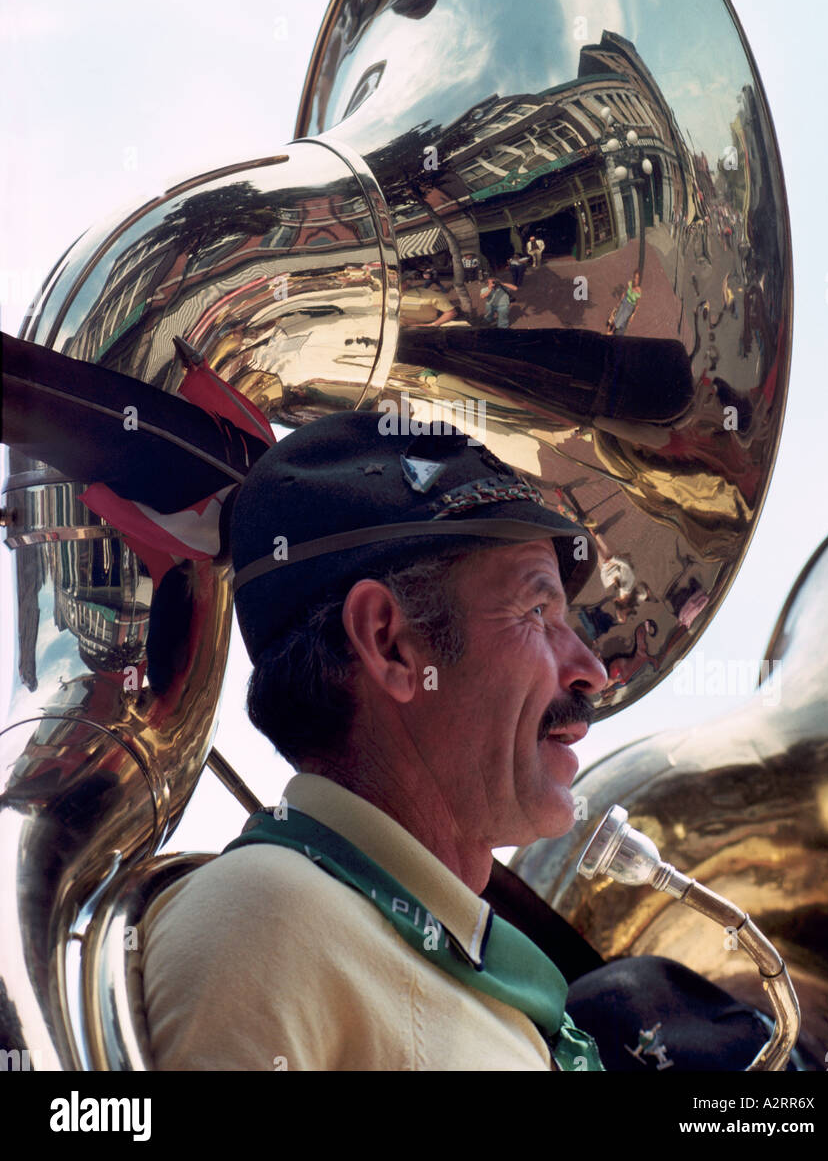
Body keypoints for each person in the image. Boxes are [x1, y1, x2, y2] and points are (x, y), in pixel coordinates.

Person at [141, 413, 607, 1071]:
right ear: (389, 642)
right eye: (538, 611)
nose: (593, 668)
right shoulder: (269, 916)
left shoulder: (487, 989)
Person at [608, 269, 641, 335]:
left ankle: (612, 331)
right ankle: (611, 328)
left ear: (639, 280)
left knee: (621, 319)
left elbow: (637, 305)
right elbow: (624, 293)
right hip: (625, 301)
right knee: (617, 315)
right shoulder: (629, 283)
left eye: (637, 278)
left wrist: (633, 315)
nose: (635, 280)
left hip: (630, 306)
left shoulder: (639, 291)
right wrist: (619, 302)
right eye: (634, 277)